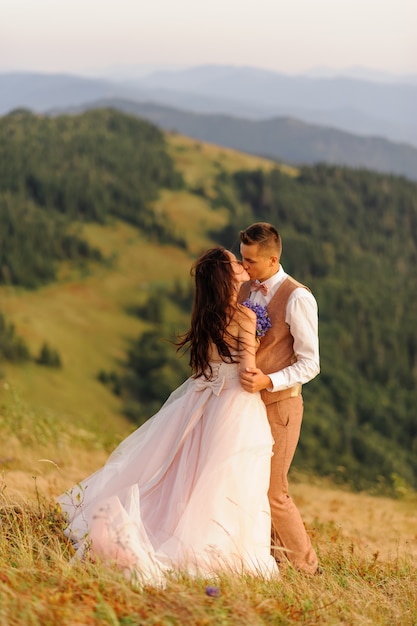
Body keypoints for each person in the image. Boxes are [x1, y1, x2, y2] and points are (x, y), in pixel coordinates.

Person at [58, 247, 278, 584]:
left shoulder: (206, 315)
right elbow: (247, 373)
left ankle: (172, 527)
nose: (240, 263)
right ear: (227, 275)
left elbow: (210, 365)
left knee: (188, 472)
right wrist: (265, 356)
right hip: (234, 403)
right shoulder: (244, 317)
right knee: (228, 474)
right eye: (235, 261)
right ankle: (217, 546)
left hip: (203, 398)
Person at [238, 222, 320, 575]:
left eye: (251, 262)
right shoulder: (245, 288)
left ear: (273, 259)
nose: (244, 268)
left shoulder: (298, 297)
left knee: (275, 491)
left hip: (281, 406)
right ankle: (274, 560)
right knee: (250, 485)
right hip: (245, 408)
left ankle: (307, 568)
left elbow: (311, 363)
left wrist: (268, 380)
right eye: (242, 259)